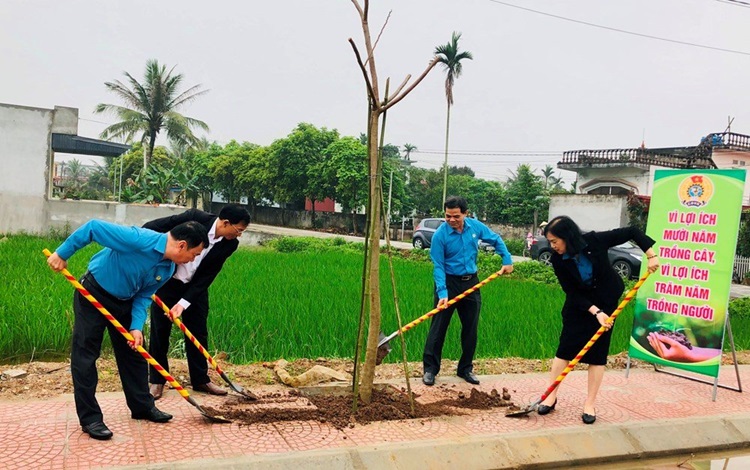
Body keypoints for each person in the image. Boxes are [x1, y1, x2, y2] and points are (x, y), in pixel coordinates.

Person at [46, 219, 208, 440]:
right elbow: (92, 228)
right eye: (194, 254)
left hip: (125, 303)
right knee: (86, 355)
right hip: (93, 294)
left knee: (134, 353)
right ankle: (90, 418)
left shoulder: (168, 267)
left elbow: (143, 296)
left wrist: (136, 327)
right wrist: (62, 253)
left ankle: (142, 407)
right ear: (181, 245)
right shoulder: (139, 239)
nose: (193, 260)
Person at [539, 216, 658, 424]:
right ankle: (551, 395)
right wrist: (595, 312)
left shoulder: (594, 241)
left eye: (554, 241)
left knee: (597, 354)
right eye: (550, 242)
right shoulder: (557, 259)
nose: (552, 246)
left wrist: (651, 255)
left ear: (567, 237)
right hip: (580, 305)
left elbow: (631, 231)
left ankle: (590, 404)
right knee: (564, 349)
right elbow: (571, 291)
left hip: (607, 299)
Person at [144, 205, 251, 399]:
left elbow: (208, 275)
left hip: (195, 289)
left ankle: (201, 379)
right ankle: (157, 380)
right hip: (167, 282)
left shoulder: (229, 244)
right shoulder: (194, 218)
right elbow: (152, 227)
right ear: (226, 223)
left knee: (198, 332)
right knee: (160, 331)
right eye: (238, 230)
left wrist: (183, 303)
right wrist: (154, 260)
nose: (239, 235)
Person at [422, 196, 514, 386]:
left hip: (471, 283)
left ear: (465, 213)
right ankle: (430, 369)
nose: (451, 220)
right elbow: (438, 265)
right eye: (448, 216)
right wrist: (443, 292)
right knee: (438, 327)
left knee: (470, 328)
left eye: (456, 216)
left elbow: (495, 239)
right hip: (448, 283)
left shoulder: (475, 227)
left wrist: (506, 259)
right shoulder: (440, 235)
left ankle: (465, 369)